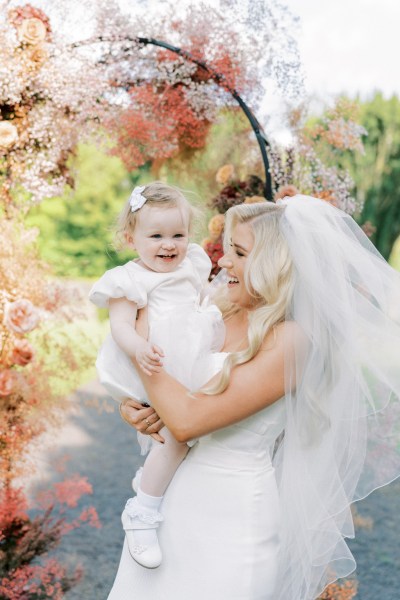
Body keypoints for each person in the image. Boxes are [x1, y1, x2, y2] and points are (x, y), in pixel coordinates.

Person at [108, 195, 400, 600]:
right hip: (164, 506)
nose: (224, 262)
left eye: (239, 253)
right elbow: (172, 386)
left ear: (275, 263)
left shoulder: (291, 340)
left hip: (231, 517)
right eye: (227, 249)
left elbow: (189, 420)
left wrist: (139, 343)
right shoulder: (217, 308)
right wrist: (134, 406)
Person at [89, 182, 224, 569]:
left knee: (190, 437)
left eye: (178, 234)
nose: (169, 245)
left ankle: (154, 487)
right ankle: (142, 511)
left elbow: (198, 305)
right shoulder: (128, 280)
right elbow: (121, 327)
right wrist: (139, 348)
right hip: (153, 363)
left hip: (190, 362)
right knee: (176, 439)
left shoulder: (194, 263)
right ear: (131, 238)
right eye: (157, 236)